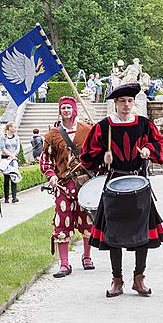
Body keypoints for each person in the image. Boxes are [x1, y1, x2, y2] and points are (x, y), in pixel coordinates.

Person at [80, 82, 163, 298]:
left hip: (139, 182)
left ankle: (139, 278)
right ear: (115, 104)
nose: (126, 105)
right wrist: (103, 158)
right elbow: (87, 157)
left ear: (134, 103)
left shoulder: (144, 124)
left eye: (130, 101)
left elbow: (160, 145)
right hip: (114, 182)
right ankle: (117, 280)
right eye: (122, 101)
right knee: (114, 233)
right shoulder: (103, 127)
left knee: (142, 233)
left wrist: (148, 149)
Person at [40, 96, 95, 278]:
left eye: (68, 108)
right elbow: (46, 161)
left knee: (87, 221)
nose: (65, 110)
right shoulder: (52, 135)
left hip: (83, 184)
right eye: (63, 108)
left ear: (74, 110)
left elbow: (96, 155)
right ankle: (64, 263)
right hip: (63, 185)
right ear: (60, 111)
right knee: (62, 223)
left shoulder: (87, 130)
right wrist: (52, 176)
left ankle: (87, 257)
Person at [0, 122, 21, 204]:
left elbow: (17, 148)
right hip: (6, 159)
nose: (15, 129)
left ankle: (14, 197)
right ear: (9, 128)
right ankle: (6, 197)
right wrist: (11, 155)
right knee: (6, 179)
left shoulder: (16, 137)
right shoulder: (3, 137)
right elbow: (3, 148)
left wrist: (13, 156)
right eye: (14, 127)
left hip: (13, 159)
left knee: (14, 176)